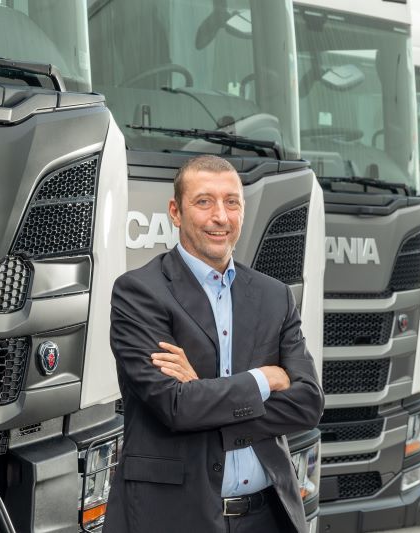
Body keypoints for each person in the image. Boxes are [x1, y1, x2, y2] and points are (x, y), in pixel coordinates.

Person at [105, 154, 325, 533]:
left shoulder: (275, 296)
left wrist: (205, 396)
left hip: (268, 516)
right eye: (204, 201)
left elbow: (308, 403)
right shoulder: (139, 292)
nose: (220, 216)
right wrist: (262, 380)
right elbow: (176, 406)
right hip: (175, 516)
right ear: (176, 212)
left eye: (231, 202)